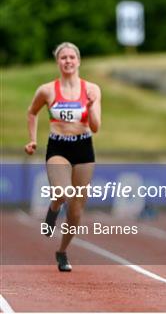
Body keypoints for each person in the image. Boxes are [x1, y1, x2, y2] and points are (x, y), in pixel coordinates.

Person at [25, 42, 101, 272]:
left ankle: (62, 251)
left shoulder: (92, 89)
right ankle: (54, 207)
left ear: (78, 61)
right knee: (64, 192)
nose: (67, 61)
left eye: (71, 57)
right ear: (58, 62)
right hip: (58, 146)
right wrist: (32, 139)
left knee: (77, 210)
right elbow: (32, 112)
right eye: (63, 57)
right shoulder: (47, 90)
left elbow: (96, 127)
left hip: (84, 147)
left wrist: (90, 107)